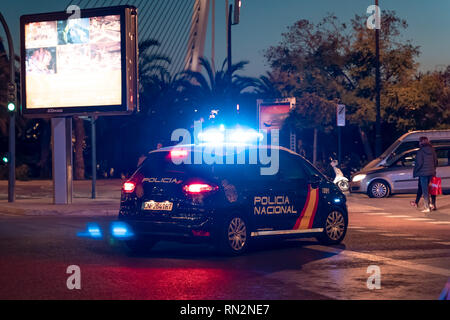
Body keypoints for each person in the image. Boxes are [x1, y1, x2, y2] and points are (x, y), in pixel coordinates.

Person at [411, 137, 438, 214]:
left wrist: (415, 171)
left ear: (421, 142)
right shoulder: (433, 150)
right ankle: (433, 205)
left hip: (423, 174)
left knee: (425, 191)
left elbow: (419, 163)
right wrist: (433, 169)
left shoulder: (420, 151)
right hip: (432, 173)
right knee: (433, 189)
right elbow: (436, 161)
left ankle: (427, 207)